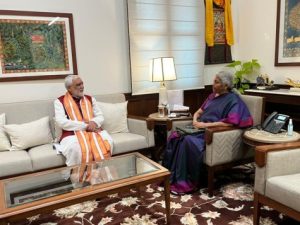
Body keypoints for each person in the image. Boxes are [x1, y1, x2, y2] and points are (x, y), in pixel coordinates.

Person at [162, 71, 253, 195]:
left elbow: (230, 123)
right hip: (198, 128)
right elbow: (198, 112)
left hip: (212, 132)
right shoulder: (211, 96)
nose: (213, 84)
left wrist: (204, 125)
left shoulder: (233, 100)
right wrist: (195, 121)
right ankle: (170, 176)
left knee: (187, 141)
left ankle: (185, 181)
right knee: (175, 136)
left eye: (216, 82)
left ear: (225, 86)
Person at [54, 75, 113, 167]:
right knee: (75, 148)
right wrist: (85, 126)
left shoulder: (90, 99)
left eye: (82, 83)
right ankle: (78, 177)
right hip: (72, 134)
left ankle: (102, 174)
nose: (82, 86)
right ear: (69, 88)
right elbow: (62, 122)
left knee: (107, 141)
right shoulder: (59, 101)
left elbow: (100, 116)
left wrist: (94, 123)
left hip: (94, 130)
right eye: (78, 85)